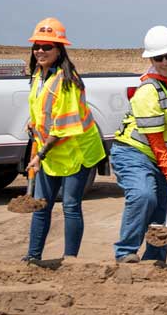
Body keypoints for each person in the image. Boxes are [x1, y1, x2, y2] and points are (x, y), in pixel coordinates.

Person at [22, 18, 105, 266]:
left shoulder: (66, 81)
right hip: (52, 152)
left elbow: (62, 129)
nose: (41, 51)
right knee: (40, 206)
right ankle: (33, 257)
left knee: (70, 205)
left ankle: (70, 260)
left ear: (59, 50)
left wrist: (39, 156)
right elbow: (42, 113)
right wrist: (33, 129)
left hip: (76, 151)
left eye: (48, 47)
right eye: (37, 46)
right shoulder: (38, 76)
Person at [109, 26, 167, 265]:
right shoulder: (148, 92)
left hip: (163, 154)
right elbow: (154, 139)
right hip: (134, 152)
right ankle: (125, 252)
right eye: (159, 58)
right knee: (144, 195)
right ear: (151, 59)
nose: (165, 62)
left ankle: (155, 260)